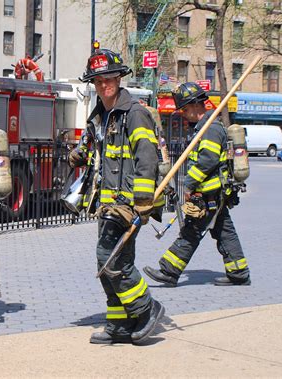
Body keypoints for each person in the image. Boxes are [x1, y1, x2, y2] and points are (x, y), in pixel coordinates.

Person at [69, 48, 165, 345]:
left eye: (109, 78)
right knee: (108, 263)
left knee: (109, 259)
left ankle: (147, 308)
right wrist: (79, 154)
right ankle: (119, 325)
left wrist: (143, 201)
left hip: (127, 204)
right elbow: (92, 149)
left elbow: (146, 159)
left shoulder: (134, 113)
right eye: (98, 81)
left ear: (119, 78)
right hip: (106, 203)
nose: (103, 84)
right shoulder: (100, 115)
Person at [144, 82, 251, 287]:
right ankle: (238, 273)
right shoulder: (202, 128)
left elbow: (207, 160)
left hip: (209, 194)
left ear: (195, 105)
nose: (183, 114)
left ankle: (169, 271)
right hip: (213, 194)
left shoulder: (210, 129)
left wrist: (189, 185)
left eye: (184, 109)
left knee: (191, 231)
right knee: (224, 232)